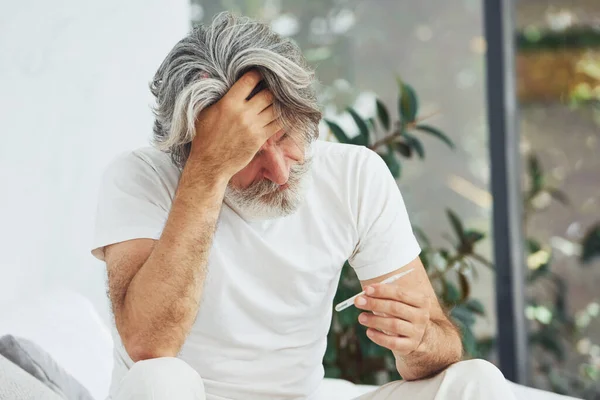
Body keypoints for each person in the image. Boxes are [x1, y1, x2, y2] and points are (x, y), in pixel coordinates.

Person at [91, 11, 517, 400]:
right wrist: (206, 173)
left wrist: (420, 340)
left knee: (477, 381)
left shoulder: (354, 175)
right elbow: (149, 345)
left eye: (287, 136)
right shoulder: (140, 178)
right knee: (157, 381)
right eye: (249, 151)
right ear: (189, 149)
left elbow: (441, 340)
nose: (279, 172)